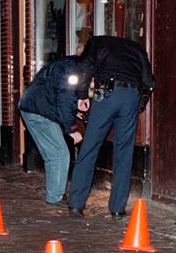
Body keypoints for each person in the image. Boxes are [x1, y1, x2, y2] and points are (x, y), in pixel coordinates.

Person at [67, 35, 154, 218]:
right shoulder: (136, 47)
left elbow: (85, 67)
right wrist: (141, 102)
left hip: (107, 93)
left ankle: (76, 204)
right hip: (131, 95)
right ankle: (117, 208)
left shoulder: (96, 42)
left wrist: (82, 95)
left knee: (90, 148)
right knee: (124, 152)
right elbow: (148, 80)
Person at [19, 55, 84, 208]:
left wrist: (74, 110)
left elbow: (55, 92)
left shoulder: (67, 64)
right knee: (59, 153)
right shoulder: (72, 70)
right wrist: (71, 129)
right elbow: (65, 98)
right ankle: (55, 196)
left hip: (33, 107)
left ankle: (54, 193)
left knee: (54, 154)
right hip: (38, 112)